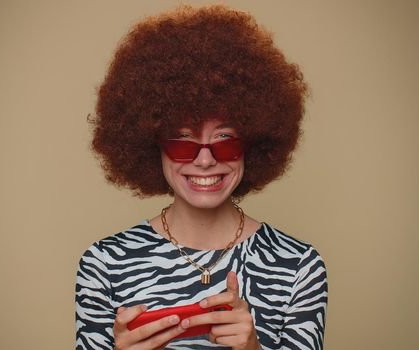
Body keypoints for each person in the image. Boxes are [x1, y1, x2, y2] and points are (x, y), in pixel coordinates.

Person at [76, 5, 327, 350]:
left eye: (226, 140)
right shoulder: (104, 264)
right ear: (153, 148)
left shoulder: (298, 266)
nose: (205, 160)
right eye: (182, 143)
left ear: (252, 144)